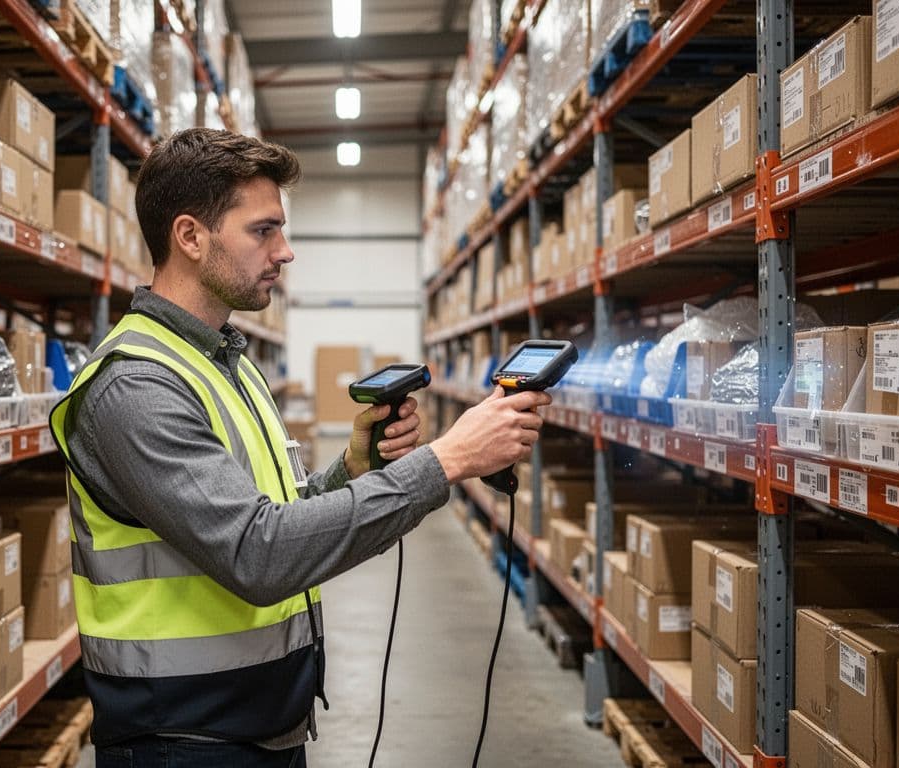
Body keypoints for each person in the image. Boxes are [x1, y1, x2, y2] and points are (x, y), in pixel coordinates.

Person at [50, 128, 551, 768]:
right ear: (190, 237)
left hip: (260, 727)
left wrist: (352, 470)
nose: (285, 252)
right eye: (264, 230)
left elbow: (273, 510)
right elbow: (259, 555)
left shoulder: (226, 360)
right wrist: (448, 460)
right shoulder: (136, 386)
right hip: (185, 744)